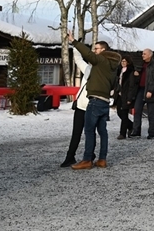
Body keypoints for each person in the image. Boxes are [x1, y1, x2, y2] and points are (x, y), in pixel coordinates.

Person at [70, 38, 121, 170]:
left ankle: (87, 159)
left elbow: (88, 55)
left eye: (96, 48)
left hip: (95, 101)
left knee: (89, 130)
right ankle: (102, 159)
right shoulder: (112, 66)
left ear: (103, 50)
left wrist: (74, 41)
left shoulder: (102, 61)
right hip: (104, 102)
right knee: (103, 132)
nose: (94, 51)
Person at [59, 44, 92, 167]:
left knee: (90, 132)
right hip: (81, 106)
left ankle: (89, 155)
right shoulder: (88, 68)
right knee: (77, 133)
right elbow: (78, 59)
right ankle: (70, 156)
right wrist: (76, 46)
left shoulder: (98, 70)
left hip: (91, 106)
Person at [131, 48, 154, 139]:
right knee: (137, 110)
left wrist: (151, 91)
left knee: (151, 112)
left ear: (149, 55)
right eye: (142, 54)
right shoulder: (141, 64)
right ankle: (136, 131)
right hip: (140, 90)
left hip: (149, 90)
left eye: (144, 54)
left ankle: (152, 132)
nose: (142, 55)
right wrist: (136, 74)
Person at [114, 58, 139, 138]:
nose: (123, 63)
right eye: (122, 61)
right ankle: (131, 126)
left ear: (128, 62)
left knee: (124, 114)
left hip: (126, 95)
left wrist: (129, 98)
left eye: (124, 61)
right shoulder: (119, 71)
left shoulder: (130, 72)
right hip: (119, 94)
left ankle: (122, 133)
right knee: (119, 112)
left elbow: (131, 86)